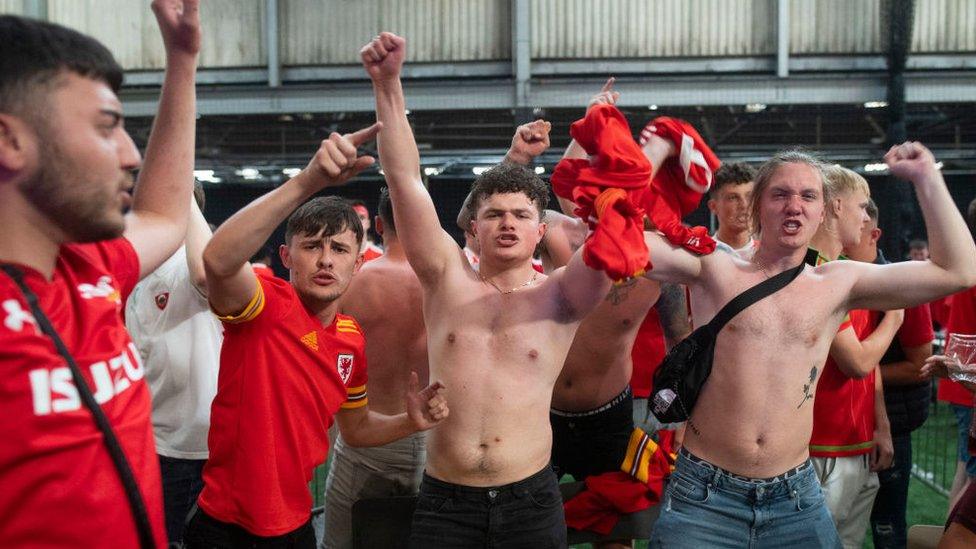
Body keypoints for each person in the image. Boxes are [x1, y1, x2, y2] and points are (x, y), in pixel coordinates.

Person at [639, 142, 976, 548]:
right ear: (758, 205)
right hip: (705, 496)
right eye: (780, 194)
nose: (793, 205)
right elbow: (622, 245)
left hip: (794, 499)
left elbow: (958, 271)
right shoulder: (715, 265)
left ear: (823, 211)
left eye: (808, 196)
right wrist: (652, 154)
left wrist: (927, 177)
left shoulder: (838, 282)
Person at [364, 32, 614, 547]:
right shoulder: (446, 279)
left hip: (531, 499)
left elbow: (610, 237)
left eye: (522, 215)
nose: (508, 223)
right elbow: (405, 179)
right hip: (445, 501)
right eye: (493, 214)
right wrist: (388, 84)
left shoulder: (562, 295)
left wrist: (600, 133)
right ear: (470, 228)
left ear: (540, 231)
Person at [186, 125, 448, 548]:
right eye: (312, 246)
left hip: (295, 526)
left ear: (358, 262)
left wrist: (409, 421)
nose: (326, 260)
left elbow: (357, 427)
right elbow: (216, 259)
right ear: (287, 256)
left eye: (340, 250)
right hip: (224, 527)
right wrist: (308, 181)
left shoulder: (350, 341)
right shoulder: (266, 305)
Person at [0, 3, 199, 546]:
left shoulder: (89, 268)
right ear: (10, 140)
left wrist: (183, 63)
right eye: (106, 126)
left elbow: (163, 215)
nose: (131, 154)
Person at [321, 188, 430, 549]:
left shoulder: (356, 282)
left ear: (379, 224)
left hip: (370, 436)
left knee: (341, 543)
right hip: (433, 436)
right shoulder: (448, 281)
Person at [807, 165, 901, 549]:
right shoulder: (814, 272)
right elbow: (858, 362)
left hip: (856, 443)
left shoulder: (846, 271)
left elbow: (869, 363)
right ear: (837, 207)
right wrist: (894, 319)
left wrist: (880, 425)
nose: (866, 218)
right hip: (820, 445)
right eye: (862, 207)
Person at [125, 183, 222, 545]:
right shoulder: (134, 266)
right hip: (154, 442)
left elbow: (204, 276)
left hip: (196, 449)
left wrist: (176, 187)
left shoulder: (187, 258)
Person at [844, 199, 935, 549]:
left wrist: (857, 365)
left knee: (887, 528)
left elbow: (919, 366)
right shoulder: (832, 277)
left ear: (872, 233)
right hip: (837, 429)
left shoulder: (904, 285)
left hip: (891, 427)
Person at [708, 162, 758, 256]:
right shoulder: (698, 258)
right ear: (713, 206)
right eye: (733, 198)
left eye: (749, 196)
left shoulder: (772, 257)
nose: (744, 205)